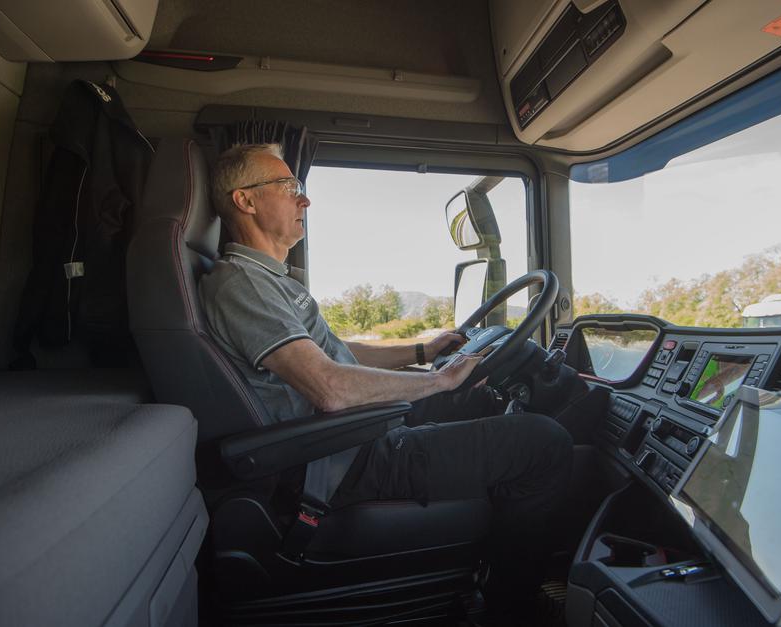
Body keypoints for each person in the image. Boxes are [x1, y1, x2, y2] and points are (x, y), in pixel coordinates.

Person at [199, 143, 573, 612]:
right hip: (340, 457)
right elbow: (330, 387)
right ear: (246, 200)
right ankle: (509, 608)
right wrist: (437, 381)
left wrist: (423, 352)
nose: (304, 199)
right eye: (289, 186)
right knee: (543, 443)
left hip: (346, 436)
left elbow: (335, 352)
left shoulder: (270, 281)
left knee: (478, 399)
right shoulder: (242, 283)